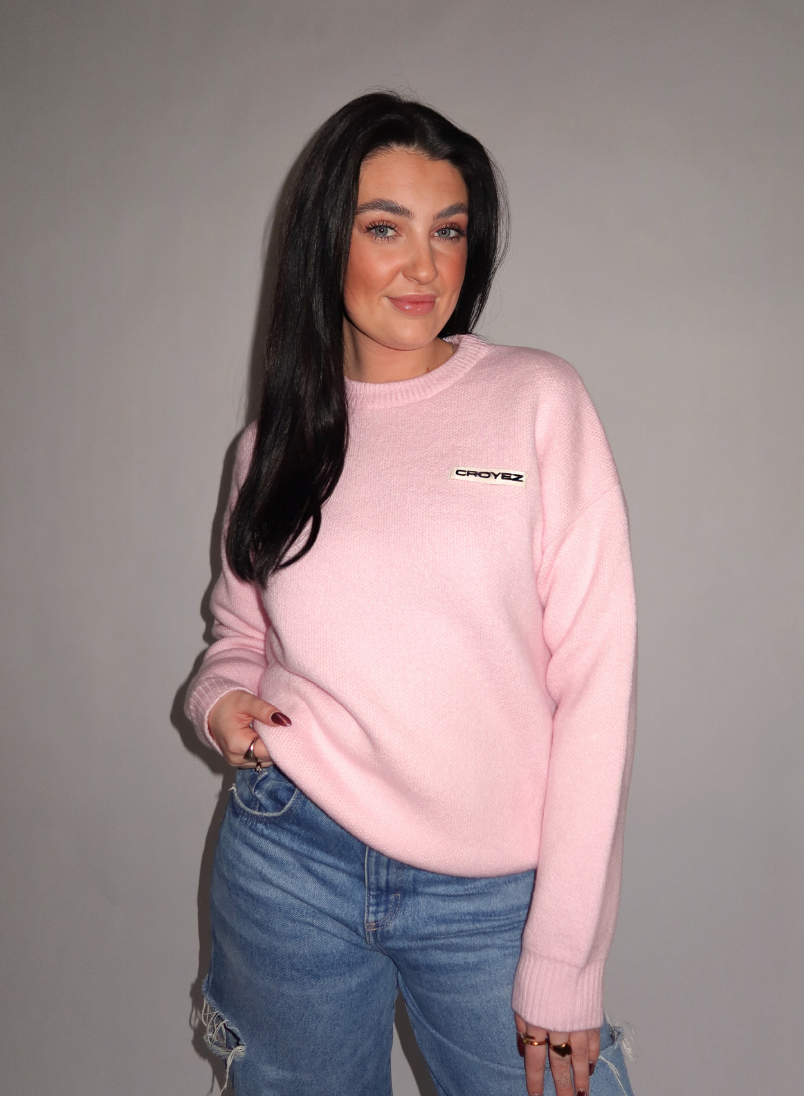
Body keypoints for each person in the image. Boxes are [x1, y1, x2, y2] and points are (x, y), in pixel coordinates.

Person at [185, 92, 637, 1096]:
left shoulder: (537, 403)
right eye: (385, 228)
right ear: (326, 241)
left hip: (492, 894)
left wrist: (564, 956)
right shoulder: (270, 446)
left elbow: (596, 686)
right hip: (291, 856)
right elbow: (237, 634)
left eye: (450, 231)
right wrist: (218, 701)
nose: (424, 266)